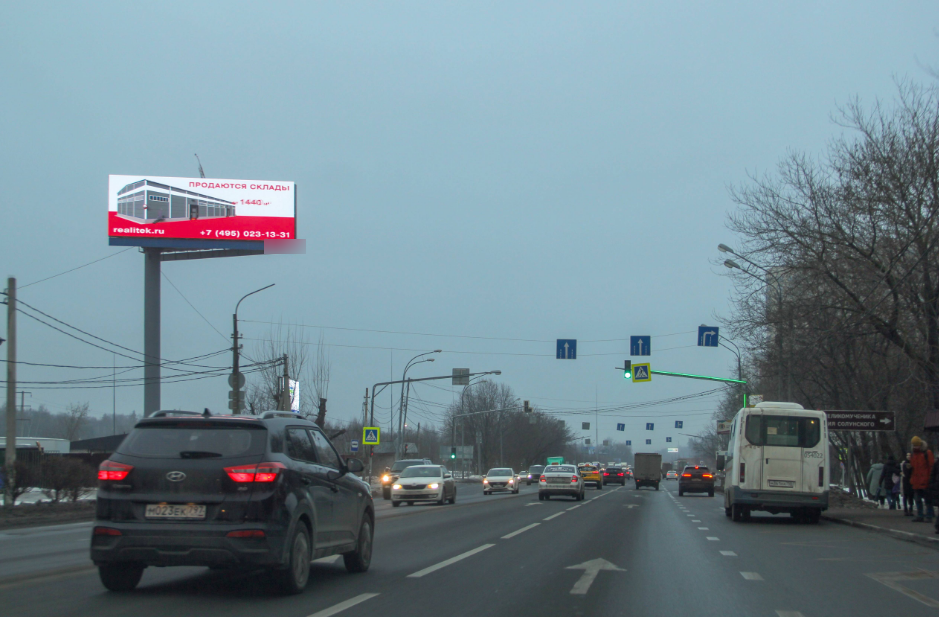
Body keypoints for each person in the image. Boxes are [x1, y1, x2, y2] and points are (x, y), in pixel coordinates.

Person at [910, 436, 935, 522]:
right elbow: (913, 468)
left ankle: (929, 516)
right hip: (916, 481)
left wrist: (930, 479)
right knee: (918, 500)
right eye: (914, 445)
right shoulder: (914, 455)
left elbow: (931, 467)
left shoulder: (927, 453)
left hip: (925, 481)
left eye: (916, 445)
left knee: (927, 500)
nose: (915, 447)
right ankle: (920, 515)